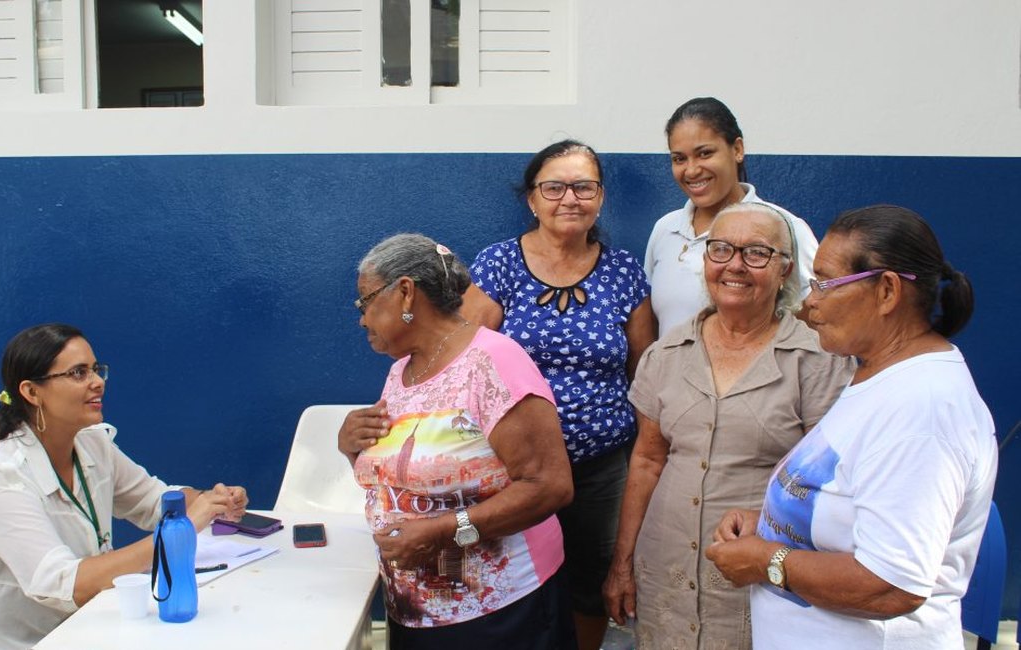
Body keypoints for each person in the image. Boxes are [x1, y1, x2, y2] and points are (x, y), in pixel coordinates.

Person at [706, 205, 997, 649]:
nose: (809, 303)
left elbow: (892, 584)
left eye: (824, 282)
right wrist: (772, 524)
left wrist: (768, 560)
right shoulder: (878, 374)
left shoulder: (923, 409)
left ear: (886, 291)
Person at [603, 204, 854, 649]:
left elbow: (827, 484)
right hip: (666, 567)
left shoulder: (817, 360)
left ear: (784, 270)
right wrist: (622, 563)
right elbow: (646, 460)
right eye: (720, 250)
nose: (734, 265)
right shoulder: (666, 354)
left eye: (756, 252)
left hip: (759, 571)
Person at [0, 324, 249, 650]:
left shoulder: (92, 442)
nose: (97, 382)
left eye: (97, 370)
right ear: (31, 392)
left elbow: (153, 500)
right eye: (78, 373)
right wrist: (177, 532)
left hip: (78, 633)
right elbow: (63, 584)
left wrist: (210, 499)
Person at [338, 234, 576, 650]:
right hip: (415, 610)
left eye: (366, 301)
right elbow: (408, 478)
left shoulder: (494, 362)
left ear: (406, 293)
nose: (361, 319)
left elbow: (549, 486)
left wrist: (444, 532)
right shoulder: (402, 371)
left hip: (499, 614)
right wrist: (352, 446)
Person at [463, 140, 655, 650]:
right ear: (532, 199)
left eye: (583, 187)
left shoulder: (624, 272)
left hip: (602, 466)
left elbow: (645, 371)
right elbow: (463, 359)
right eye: (554, 187)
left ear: (600, 197)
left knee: (591, 584)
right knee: (510, 578)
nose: (569, 198)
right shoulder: (498, 263)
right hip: (514, 467)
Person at [646, 97, 819, 335]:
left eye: (705, 153)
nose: (692, 169)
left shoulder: (785, 228)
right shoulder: (665, 229)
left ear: (737, 149)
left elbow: (815, 319)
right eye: (679, 158)